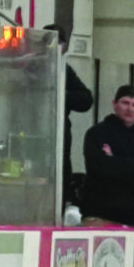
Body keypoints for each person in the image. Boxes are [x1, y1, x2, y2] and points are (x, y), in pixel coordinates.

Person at [80, 84, 134, 226]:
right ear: (114, 104)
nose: (129, 109)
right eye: (125, 103)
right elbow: (101, 169)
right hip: (100, 215)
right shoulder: (97, 133)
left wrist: (115, 159)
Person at [43, 24, 94, 214]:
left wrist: (60, 94)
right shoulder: (29, 68)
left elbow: (86, 100)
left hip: (59, 139)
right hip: (32, 136)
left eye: (58, 43)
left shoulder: (64, 71)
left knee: (61, 181)